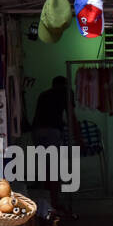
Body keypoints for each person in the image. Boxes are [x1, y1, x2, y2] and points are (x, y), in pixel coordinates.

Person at [31, 75, 72, 216]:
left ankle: (47, 203)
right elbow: (72, 115)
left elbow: (42, 115)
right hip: (51, 132)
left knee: (45, 168)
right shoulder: (66, 93)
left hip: (37, 131)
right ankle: (54, 203)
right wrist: (78, 138)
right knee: (53, 169)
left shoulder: (44, 95)